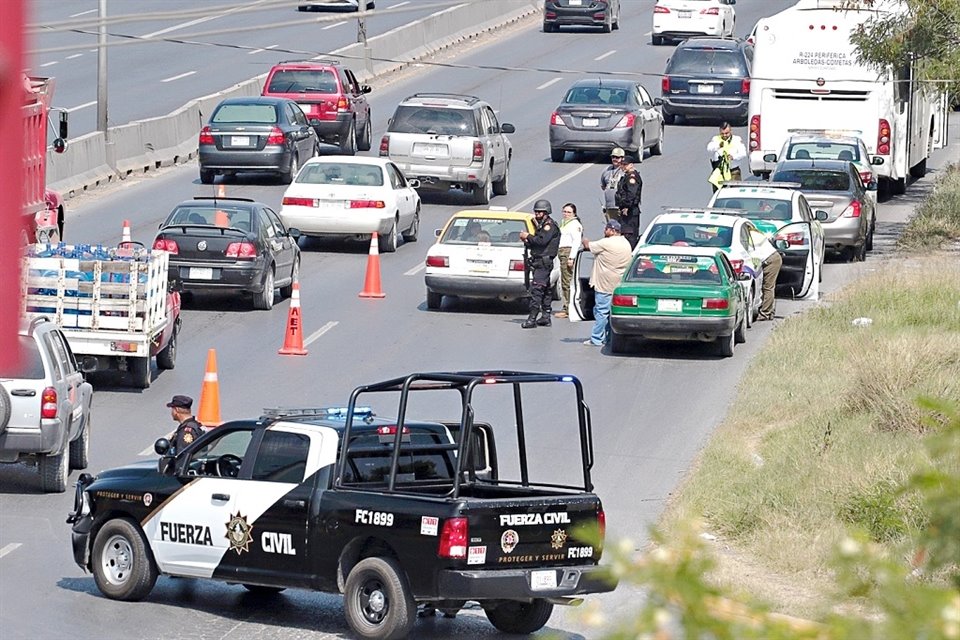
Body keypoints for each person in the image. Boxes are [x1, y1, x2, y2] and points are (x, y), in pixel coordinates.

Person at [581, 220, 632, 346]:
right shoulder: (625, 243)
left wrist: (583, 239)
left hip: (604, 284)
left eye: (606, 229)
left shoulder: (606, 243)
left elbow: (588, 246)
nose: (605, 231)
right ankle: (608, 337)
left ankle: (597, 338)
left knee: (601, 312)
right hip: (618, 284)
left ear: (613, 231)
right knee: (611, 312)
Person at [519, 199, 561, 328]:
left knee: (536, 290)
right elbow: (536, 243)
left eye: (540, 212)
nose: (537, 214)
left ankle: (532, 318)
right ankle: (545, 317)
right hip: (539, 261)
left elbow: (541, 241)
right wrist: (527, 241)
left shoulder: (549, 226)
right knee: (546, 290)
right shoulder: (542, 225)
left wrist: (528, 236)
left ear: (546, 212)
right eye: (536, 212)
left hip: (543, 263)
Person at [748, 226, 783, 320]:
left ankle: (765, 313)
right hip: (773, 258)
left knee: (768, 287)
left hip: (770, 260)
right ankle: (770, 311)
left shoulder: (750, 237)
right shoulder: (755, 234)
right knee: (769, 287)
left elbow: (751, 254)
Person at [555, 203, 583, 319]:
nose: (566, 214)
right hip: (561, 252)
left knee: (567, 281)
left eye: (568, 212)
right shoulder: (564, 223)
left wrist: (571, 257)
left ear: (574, 214)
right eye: (564, 211)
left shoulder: (575, 225)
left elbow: (576, 242)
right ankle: (567, 306)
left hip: (568, 252)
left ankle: (568, 308)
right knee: (564, 280)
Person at [707, 122, 747, 192]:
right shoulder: (716, 139)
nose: (725, 135)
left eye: (727, 133)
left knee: (735, 191)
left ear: (730, 131)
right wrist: (718, 146)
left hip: (733, 171)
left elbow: (743, 153)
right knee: (718, 192)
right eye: (722, 133)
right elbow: (709, 148)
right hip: (719, 171)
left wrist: (733, 157)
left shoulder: (736, 140)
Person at [614, 157, 642, 249]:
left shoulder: (631, 177)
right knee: (624, 234)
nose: (623, 167)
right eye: (622, 164)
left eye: (625, 165)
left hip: (630, 212)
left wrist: (627, 207)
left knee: (629, 236)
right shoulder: (627, 176)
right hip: (626, 211)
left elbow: (631, 194)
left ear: (631, 165)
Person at [600, 148, 625, 222]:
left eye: (617, 157)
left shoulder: (624, 171)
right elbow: (603, 186)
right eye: (613, 157)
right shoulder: (606, 170)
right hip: (609, 206)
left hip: (620, 207)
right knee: (611, 229)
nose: (614, 159)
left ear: (622, 158)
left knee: (620, 229)